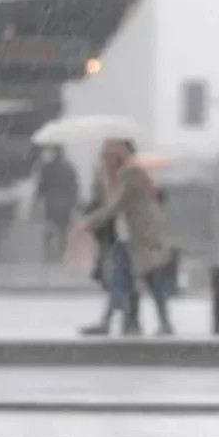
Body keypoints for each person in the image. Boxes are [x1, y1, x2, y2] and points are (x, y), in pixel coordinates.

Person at [82, 139, 176, 336]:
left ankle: (161, 323)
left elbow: (116, 205)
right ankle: (110, 322)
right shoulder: (118, 176)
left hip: (141, 239)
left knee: (152, 281)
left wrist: (90, 222)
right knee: (119, 280)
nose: (104, 161)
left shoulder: (130, 174)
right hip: (126, 239)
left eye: (108, 156)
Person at [35, 146, 79, 262]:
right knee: (63, 229)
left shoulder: (47, 168)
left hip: (52, 202)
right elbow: (74, 187)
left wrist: (38, 198)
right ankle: (62, 251)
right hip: (65, 203)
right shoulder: (69, 168)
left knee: (50, 226)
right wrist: (74, 202)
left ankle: (48, 251)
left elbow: (42, 187)